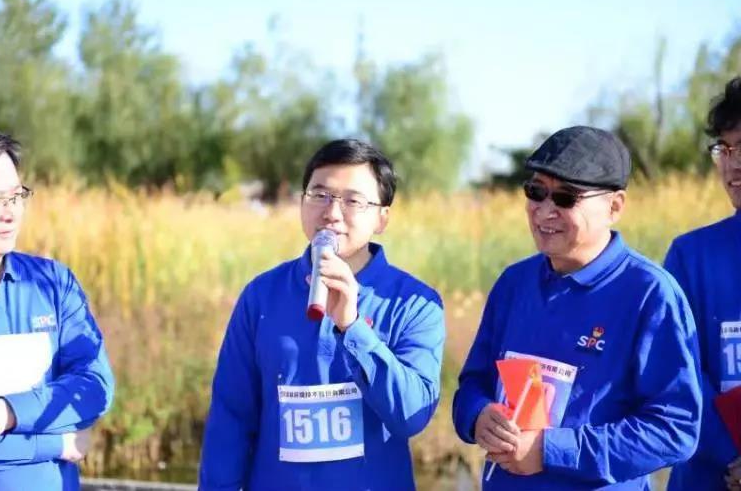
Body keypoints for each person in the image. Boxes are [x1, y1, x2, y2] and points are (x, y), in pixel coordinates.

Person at [453, 126, 702, 490]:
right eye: (536, 192)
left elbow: (674, 430)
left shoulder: (650, 294)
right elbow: (473, 384)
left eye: (566, 197)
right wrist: (478, 415)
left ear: (614, 207)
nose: (545, 211)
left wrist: (551, 450)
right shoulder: (513, 283)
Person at [199, 138, 445, 491]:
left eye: (353, 201)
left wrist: (352, 326)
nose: (332, 213)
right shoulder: (261, 296)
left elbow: (412, 415)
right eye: (320, 195)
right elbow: (231, 418)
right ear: (302, 202)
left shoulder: (415, 303)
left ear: (382, 218)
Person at [0, 124, 114, 490]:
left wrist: (6, 413)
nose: (11, 213)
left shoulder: (54, 283)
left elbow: (94, 387)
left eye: (16, 196)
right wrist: (58, 443)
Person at [665, 77, 741, 491]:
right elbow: (679, 371)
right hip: (708, 475)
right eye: (723, 150)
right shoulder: (690, 256)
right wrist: (730, 455)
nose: (733, 164)